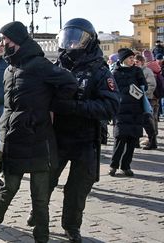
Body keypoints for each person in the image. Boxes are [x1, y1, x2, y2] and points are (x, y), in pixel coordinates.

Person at [0, 21, 78, 243]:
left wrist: (49, 106)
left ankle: (42, 238)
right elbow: (8, 108)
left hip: (39, 138)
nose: (3, 44)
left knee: (40, 197)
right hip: (14, 139)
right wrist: (2, 138)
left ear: (16, 41)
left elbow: (69, 83)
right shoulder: (9, 69)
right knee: (8, 189)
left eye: (6, 41)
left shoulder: (39, 65)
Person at [35, 18, 119, 243]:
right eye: (68, 38)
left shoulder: (100, 71)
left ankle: (72, 226)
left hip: (85, 139)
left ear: (89, 42)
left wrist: (76, 107)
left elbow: (111, 106)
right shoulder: (57, 67)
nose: (71, 44)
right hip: (57, 137)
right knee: (46, 181)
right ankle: (38, 213)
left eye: (77, 39)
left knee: (77, 189)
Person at [110, 48, 148, 177]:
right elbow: (112, 90)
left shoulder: (137, 71)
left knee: (132, 140)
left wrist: (140, 85)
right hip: (121, 110)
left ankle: (126, 166)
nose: (133, 60)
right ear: (123, 59)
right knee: (120, 139)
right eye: (130, 58)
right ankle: (113, 166)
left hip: (136, 110)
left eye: (133, 58)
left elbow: (145, 87)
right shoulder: (115, 73)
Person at [135, 54, 158, 150]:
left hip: (145, 99)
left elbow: (152, 85)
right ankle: (136, 141)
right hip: (136, 99)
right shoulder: (135, 70)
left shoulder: (147, 71)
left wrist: (142, 94)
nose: (135, 64)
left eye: (137, 62)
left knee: (147, 121)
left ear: (142, 62)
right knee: (136, 121)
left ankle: (152, 142)